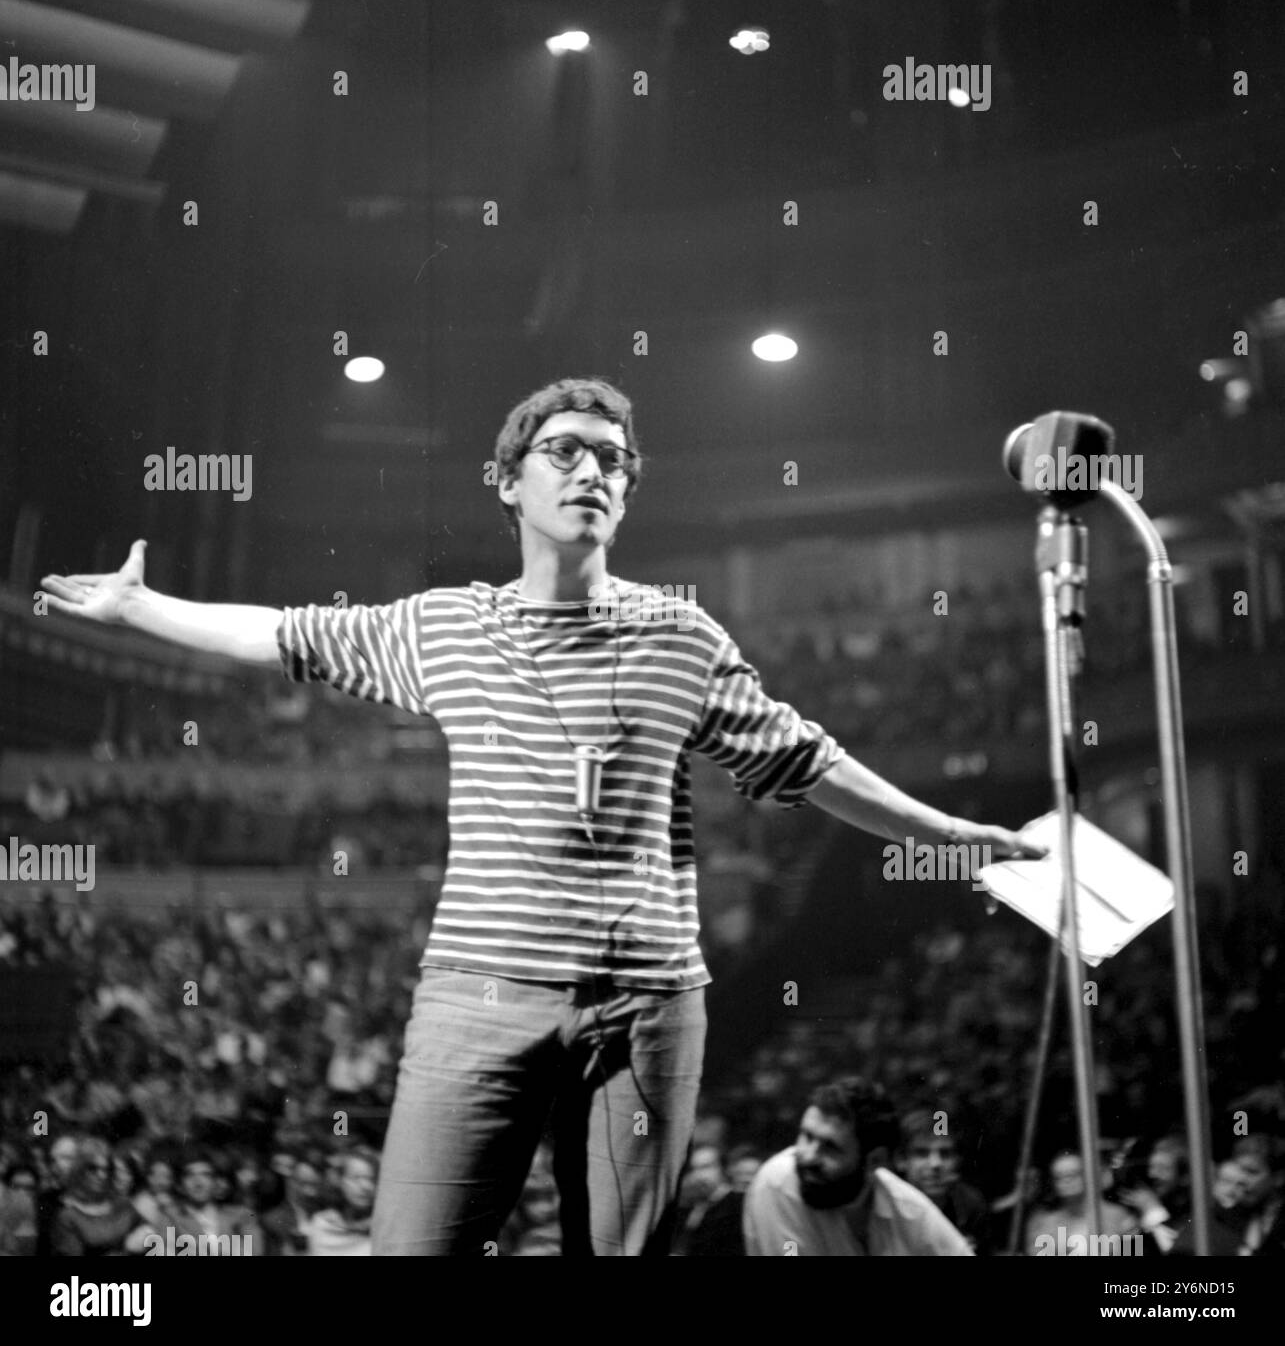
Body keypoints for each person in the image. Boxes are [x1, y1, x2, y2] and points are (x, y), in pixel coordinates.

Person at [40, 376, 1042, 1257]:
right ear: (508, 481)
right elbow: (284, 633)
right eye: (562, 450)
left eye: (612, 459)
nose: (591, 470)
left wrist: (945, 834)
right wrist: (142, 609)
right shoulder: (444, 626)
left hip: (648, 1007)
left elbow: (803, 757)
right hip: (479, 994)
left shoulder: (677, 635)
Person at [742, 1076, 973, 1255]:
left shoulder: (906, 1207)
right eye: (807, 1137)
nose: (807, 1156)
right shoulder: (779, 1182)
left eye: (830, 1147)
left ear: (876, 1161)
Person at [896, 1109, 993, 1254]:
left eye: (945, 1153)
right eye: (922, 1153)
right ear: (901, 1160)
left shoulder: (970, 1205)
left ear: (958, 1160)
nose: (936, 1164)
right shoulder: (888, 1204)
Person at [1023, 1150, 1138, 1256]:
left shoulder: (1118, 1216)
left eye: (1073, 1174)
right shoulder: (1043, 1223)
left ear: (1088, 1175)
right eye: (1059, 1177)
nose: (1066, 1181)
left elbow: (1133, 1251)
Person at [49, 1138, 152, 1257]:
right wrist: (126, 1250)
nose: (102, 1175)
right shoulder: (68, 1217)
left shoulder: (123, 1204)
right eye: (93, 1169)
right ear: (80, 1170)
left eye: (106, 1169)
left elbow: (150, 1235)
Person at [671, 1143, 745, 1256]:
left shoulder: (738, 1204)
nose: (698, 1175)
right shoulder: (689, 1206)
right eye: (693, 1169)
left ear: (723, 1168)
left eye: (706, 1167)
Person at [304, 1150, 378, 1256]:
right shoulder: (323, 1224)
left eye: (372, 1179)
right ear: (340, 1180)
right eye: (356, 1178)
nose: (366, 1186)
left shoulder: (383, 1228)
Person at [260, 1153, 324, 1256]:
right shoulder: (273, 1221)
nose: (311, 1192)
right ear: (290, 1183)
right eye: (303, 1184)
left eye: (315, 1185)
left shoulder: (328, 1216)